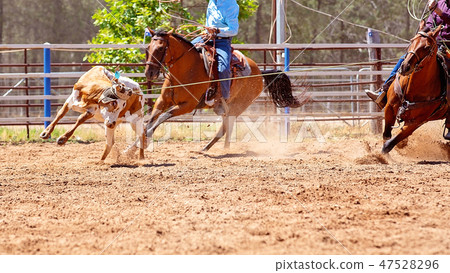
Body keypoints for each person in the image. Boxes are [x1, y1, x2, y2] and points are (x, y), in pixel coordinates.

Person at [366, 0, 450, 139]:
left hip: (448, 47)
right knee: (407, 58)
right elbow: (431, 22)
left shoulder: (438, 5)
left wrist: (438, 11)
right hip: (434, 43)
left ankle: (449, 122)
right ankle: (385, 90)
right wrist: (426, 32)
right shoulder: (440, 2)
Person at [191, 0, 239, 115]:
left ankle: (223, 99)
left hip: (222, 41)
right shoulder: (212, 2)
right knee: (186, 51)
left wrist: (218, 30)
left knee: (223, 68)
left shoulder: (230, 4)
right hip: (207, 37)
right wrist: (206, 31)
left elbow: (234, 29)